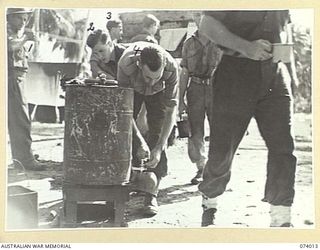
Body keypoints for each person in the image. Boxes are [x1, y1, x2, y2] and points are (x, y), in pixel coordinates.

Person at [197, 11, 298, 227]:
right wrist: (246, 47)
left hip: (275, 74)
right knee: (223, 148)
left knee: (284, 147)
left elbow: (285, 31)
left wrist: (291, 73)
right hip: (235, 73)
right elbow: (206, 24)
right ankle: (210, 204)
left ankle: (281, 216)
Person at [117, 42, 179, 216]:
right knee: (124, 132)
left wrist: (159, 147)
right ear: (139, 65)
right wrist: (139, 140)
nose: (151, 83)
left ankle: (151, 194)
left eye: (156, 78)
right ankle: (125, 183)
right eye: (147, 77)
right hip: (132, 91)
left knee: (157, 133)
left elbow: (170, 112)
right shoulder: (125, 64)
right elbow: (125, 110)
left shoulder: (171, 68)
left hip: (159, 95)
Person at [179, 13, 221, 185]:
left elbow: (229, 71)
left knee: (219, 129)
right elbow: (184, 72)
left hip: (216, 88)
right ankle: (201, 167)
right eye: (196, 15)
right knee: (195, 130)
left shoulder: (220, 40)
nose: (199, 18)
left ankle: (218, 169)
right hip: (195, 88)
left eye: (202, 14)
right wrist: (181, 99)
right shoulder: (189, 43)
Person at [7, 8, 45, 171]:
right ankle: (25, 159)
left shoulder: (15, 32)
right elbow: (9, 46)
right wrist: (25, 39)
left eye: (25, 19)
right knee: (20, 120)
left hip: (17, 78)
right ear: (10, 18)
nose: (23, 22)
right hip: (12, 79)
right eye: (20, 19)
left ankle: (22, 156)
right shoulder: (7, 30)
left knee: (19, 119)